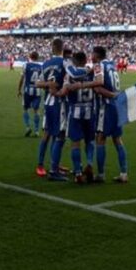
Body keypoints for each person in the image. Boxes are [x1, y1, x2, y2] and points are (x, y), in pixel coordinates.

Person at [66, 46, 125, 183]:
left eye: (92, 54)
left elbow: (98, 87)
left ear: (96, 55)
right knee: (117, 139)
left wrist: (80, 85)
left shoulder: (98, 66)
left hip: (105, 106)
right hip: (117, 106)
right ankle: (124, 172)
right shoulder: (112, 65)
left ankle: (99, 174)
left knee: (99, 139)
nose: (91, 56)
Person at [55, 51, 96, 184]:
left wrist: (55, 93)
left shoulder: (70, 74)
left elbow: (64, 91)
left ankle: (78, 172)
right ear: (85, 60)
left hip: (75, 112)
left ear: (75, 61)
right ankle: (89, 163)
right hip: (90, 110)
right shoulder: (92, 72)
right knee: (90, 141)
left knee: (75, 143)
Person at [34, 38, 68, 181]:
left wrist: (48, 84)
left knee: (48, 134)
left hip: (48, 102)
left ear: (53, 48)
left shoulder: (46, 63)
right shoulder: (65, 63)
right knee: (58, 135)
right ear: (62, 48)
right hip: (60, 102)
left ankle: (43, 165)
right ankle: (53, 168)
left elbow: (37, 83)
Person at [16, 51, 42, 137]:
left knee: (25, 108)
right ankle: (37, 131)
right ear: (38, 57)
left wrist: (19, 90)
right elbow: (42, 80)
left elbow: (22, 78)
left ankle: (27, 127)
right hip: (37, 90)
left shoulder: (26, 65)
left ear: (30, 56)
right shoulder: (41, 67)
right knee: (36, 110)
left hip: (27, 90)